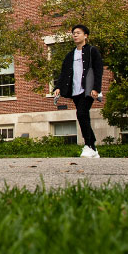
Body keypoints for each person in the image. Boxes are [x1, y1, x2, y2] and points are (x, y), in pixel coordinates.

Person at [52, 24, 103, 159]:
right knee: (82, 115)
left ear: (85, 35)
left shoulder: (92, 51)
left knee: (81, 113)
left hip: (87, 90)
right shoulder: (70, 55)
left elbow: (98, 71)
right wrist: (57, 88)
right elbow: (63, 73)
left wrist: (96, 88)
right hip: (74, 90)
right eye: (74, 33)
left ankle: (88, 145)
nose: (75, 35)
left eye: (78, 33)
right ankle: (93, 147)